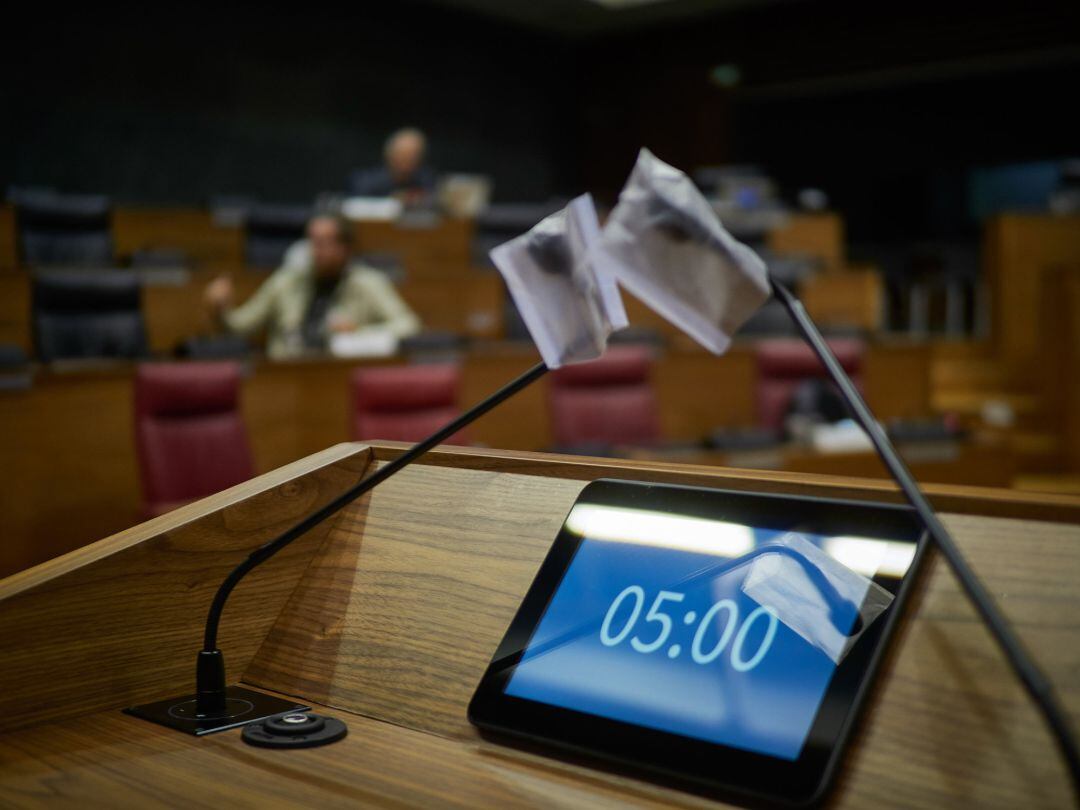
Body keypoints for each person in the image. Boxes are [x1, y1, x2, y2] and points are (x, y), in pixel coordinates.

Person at [204, 213, 420, 359]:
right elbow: (242, 327)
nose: (316, 251)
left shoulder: (368, 283)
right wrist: (220, 310)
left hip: (336, 376)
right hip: (285, 374)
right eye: (312, 242)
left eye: (324, 243)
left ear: (345, 248)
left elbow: (409, 325)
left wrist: (359, 332)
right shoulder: (286, 280)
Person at [348, 128, 436, 205]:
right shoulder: (367, 182)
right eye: (402, 155)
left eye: (413, 155)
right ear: (389, 155)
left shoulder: (425, 180)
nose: (408, 160)